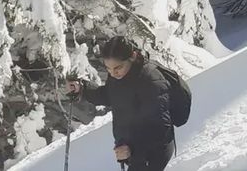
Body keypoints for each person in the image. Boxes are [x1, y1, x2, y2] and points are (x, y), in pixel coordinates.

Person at [67, 37, 174, 170]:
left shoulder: (151, 81)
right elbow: (109, 95)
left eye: (117, 67)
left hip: (152, 153)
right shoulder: (120, 76)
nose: (113, 73)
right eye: (108, 69)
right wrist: (83, 88)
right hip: (131, 149)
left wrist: (131, 149)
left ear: (133, 57)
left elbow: (161, 129)